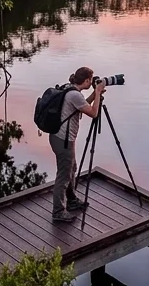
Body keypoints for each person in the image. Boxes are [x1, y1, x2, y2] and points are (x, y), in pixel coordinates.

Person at [50, 66, 105, 223]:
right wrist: (98, 93)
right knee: (64, 175)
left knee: (71, 168)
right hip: (63, 140)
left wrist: (95, 94)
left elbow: (83, 106)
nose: (92, 82)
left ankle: (72, 200)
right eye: (91, 80)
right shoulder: (74, 94)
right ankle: (58, 211)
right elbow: (93, 113)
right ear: (86, 80)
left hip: (59, 137)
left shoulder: (70, 89)